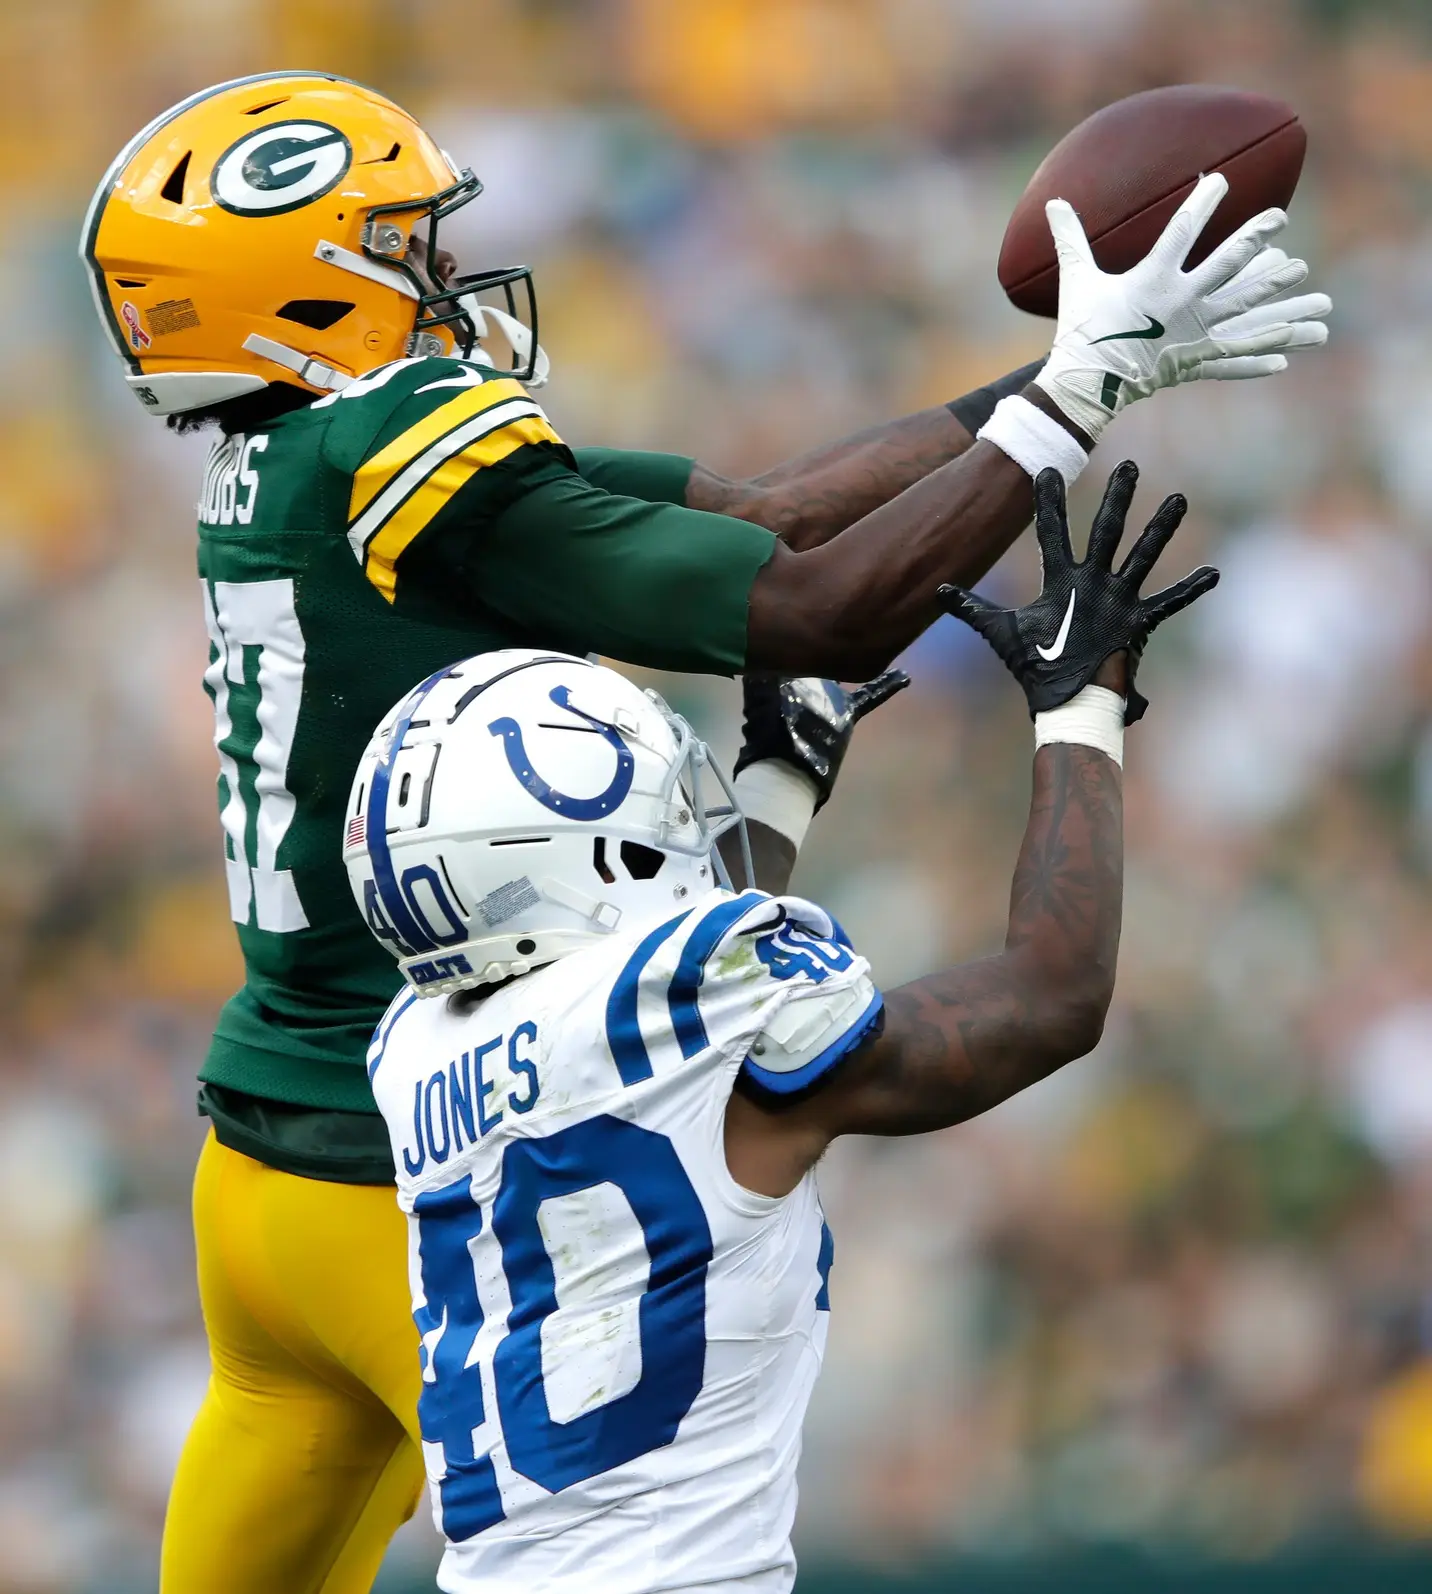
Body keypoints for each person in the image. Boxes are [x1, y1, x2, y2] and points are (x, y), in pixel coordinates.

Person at [81, 69, 1326, 1593]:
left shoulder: (288, 464)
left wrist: (1089, 371)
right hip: (415, 1185)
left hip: (263, 1162)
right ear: (304, 295)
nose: (442, 278)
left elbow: (763, 505)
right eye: (399, 250)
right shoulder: (397, 452)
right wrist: (1071, 409)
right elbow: (818, 604)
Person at [352, 460, 1209, 1594]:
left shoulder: (414, 1048)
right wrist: (1080, 707)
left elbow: (663, 1060)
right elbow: (1052, 995)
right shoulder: (700, 998)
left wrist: (781, 785)